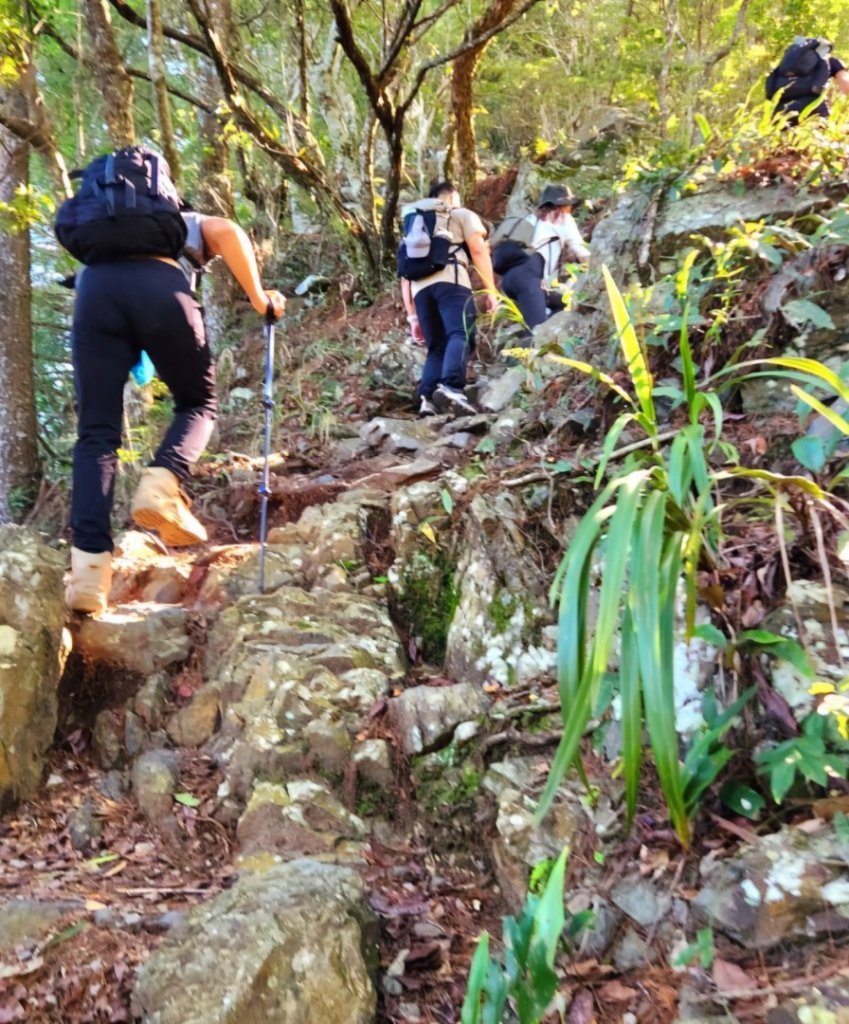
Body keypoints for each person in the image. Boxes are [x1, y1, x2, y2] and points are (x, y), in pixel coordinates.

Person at [65, 206, 286, 614]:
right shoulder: (175, 218)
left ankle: (88, 576)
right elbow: (227, 229)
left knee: (96, 434)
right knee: (198, 403)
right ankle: (161, 483)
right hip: (161, 288)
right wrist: (260, 298)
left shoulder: (101, 229)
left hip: (94, 290)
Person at [400, 181, 498, 417]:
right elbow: (478, 251)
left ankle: (428, 398)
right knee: (460, 332)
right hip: (452, 281)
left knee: (437, 346)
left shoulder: (415, 225)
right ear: (452, 197)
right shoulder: (460, 215)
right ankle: (452, 386)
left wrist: (412, 316)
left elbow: (404, 275)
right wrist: (491, 291)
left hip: (420, 290)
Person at [494, 184, 589, 333]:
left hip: (509, 280)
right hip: (528, 279)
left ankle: (548, 330)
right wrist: (598, 268)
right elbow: (580, 250)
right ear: (564, 205)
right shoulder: (562, 217)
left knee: (563, 302)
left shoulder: (532, 218)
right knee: (535, 332)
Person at [766, 36, 849, 122]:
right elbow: (846, 86)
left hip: (779, 117)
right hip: (814, 116)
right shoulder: (829, 61)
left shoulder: (784, 66)